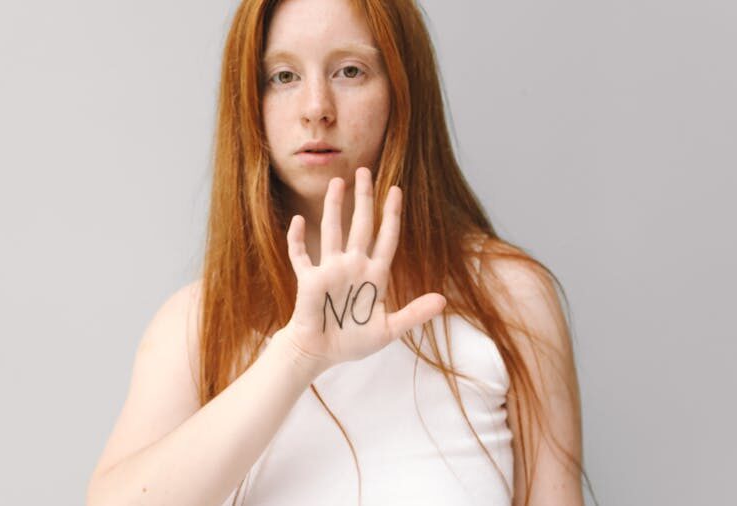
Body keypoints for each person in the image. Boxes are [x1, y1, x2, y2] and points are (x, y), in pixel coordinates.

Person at [87, 0, 596, 505]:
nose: (316, 108)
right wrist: (296, 356)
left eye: (350, 70)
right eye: (283, 76)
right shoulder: (193, 326)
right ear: (251, 99)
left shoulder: (511, 298)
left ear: (401, 87)